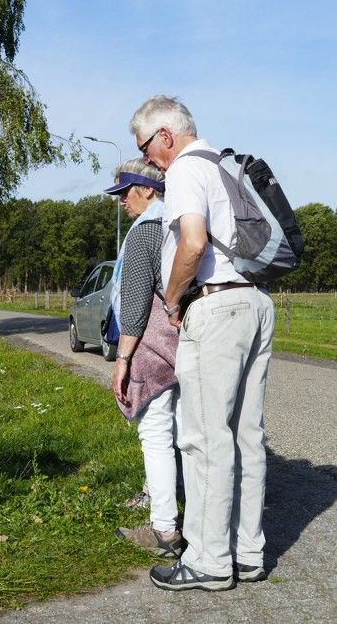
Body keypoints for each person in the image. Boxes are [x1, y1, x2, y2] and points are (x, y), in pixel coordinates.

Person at [129, 95, 275, 592]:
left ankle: (210, 561)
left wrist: (172, 299)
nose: (148, 159)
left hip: (214, 307)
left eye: (147, 147)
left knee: (204, 438)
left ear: (165, 135)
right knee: (246, 436)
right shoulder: (225, 165)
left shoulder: (187, 169)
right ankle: (248, 552)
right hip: (255, 301)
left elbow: (192, 242)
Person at [104, 158, 182, 559]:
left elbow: (134, 305)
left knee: (156, 437)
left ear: (148, 189)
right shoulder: (181, 221)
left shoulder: (145, 232)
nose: (121, 201)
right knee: (187, 438)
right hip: (189, 346)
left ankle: (164, 529)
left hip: (155, 351)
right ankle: (197, 521)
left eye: (125, 191)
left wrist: (122, 361)